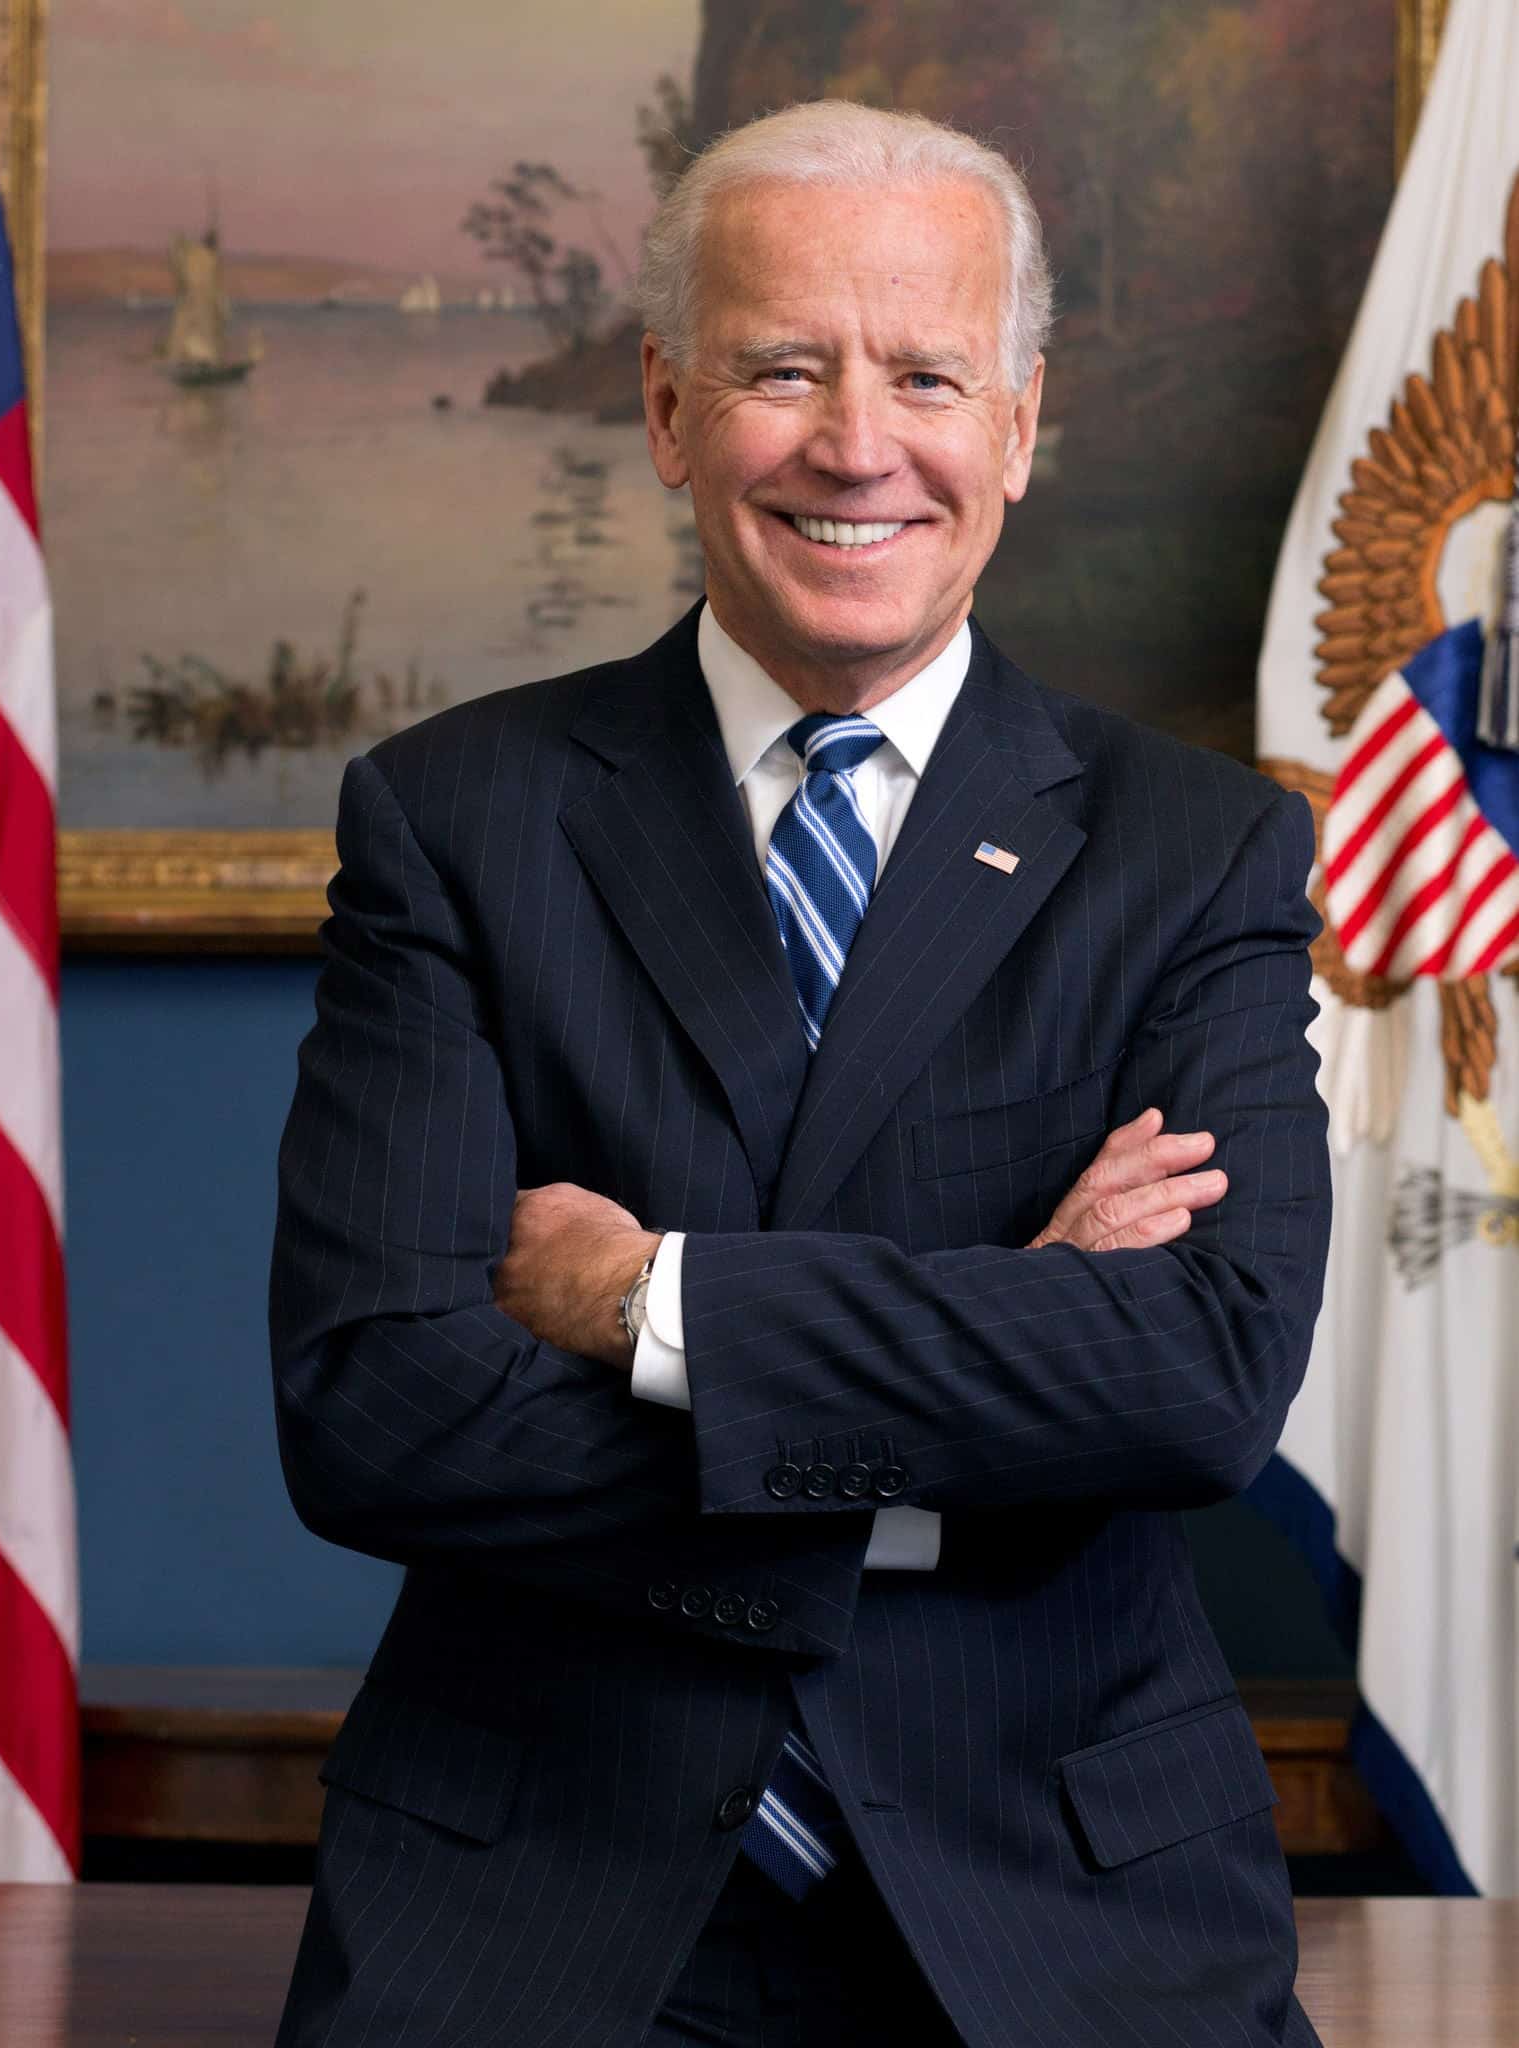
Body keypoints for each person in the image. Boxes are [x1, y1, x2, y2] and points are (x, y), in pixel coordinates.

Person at [269, 100, 1330, 2048]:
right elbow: (376, 1407)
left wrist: (649, 1301)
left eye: (926, 372)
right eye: (782, 368)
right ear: (671, 414)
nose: (858, 443)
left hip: (1064, 1900)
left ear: (1016, 421)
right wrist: (1005, 1347)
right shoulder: (453, 819)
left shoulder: (1196, 854)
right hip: (538, 1893)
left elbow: (1192, 1386)